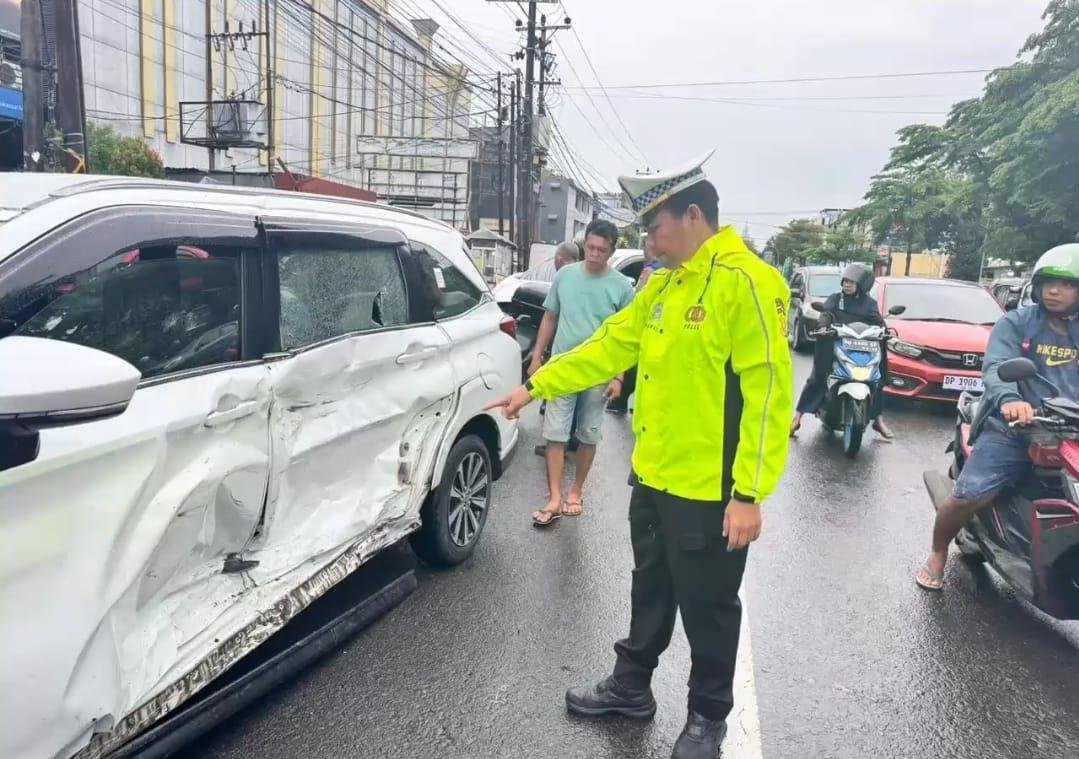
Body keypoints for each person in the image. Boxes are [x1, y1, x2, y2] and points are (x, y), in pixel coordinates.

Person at [486, 151, 793, 758]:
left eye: (655, 227)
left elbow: (767, 399)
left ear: (694, 216)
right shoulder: (662, 289)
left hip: (711, 490)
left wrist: (749, 494)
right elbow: (608, 346)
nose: (648, 241)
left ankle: (707, 718)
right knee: (650, 588)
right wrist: (535, 384)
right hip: (652, 476)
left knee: (708, 606)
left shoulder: (749, 283)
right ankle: (632, 687)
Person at [916, 243, 1079, 591]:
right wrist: (1011, 400)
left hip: (1071, 433)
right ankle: (938, 551)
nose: (1055, 290)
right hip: (1015, 429)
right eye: (1049, 282)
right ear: (1036, 285)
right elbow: (996, 368)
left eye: (1067, 284)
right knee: (968, 495)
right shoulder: (1016, 323)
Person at [527, 219, 634, 526]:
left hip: (598, 373)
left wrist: (618, 377)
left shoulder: (621, 287)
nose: (595, 254)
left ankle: (576, 492)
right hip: (562, 368)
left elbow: (625, 339)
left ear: (611, 252)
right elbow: (550, 317)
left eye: (602, 250)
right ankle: (555, 496)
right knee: (555, 432)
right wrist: (537, 358)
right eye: (590, 247)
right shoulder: (566, 276)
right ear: (584, 244)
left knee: (588, 433)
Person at [789, 263, 894, 439]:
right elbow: (826, 314)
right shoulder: (835, 299)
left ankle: (878, 420)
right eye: (845, 281)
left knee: (876, 380)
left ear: (862, 285)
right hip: (836, 346)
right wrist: (823, 326)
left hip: (861, 350)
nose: (847, 285)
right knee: (817, 377)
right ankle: (797, 417)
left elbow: (878, 321)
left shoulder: (869, 304)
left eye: (852, 282)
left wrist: (886, 331)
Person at [606, 232, 662, 415]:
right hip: (656, 333)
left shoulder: (652, 272)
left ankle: (619, 400)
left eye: (645, 243)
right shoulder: (663, 268)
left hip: (646, 331)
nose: (644, 247)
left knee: (633, 366)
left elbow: (637, 300)